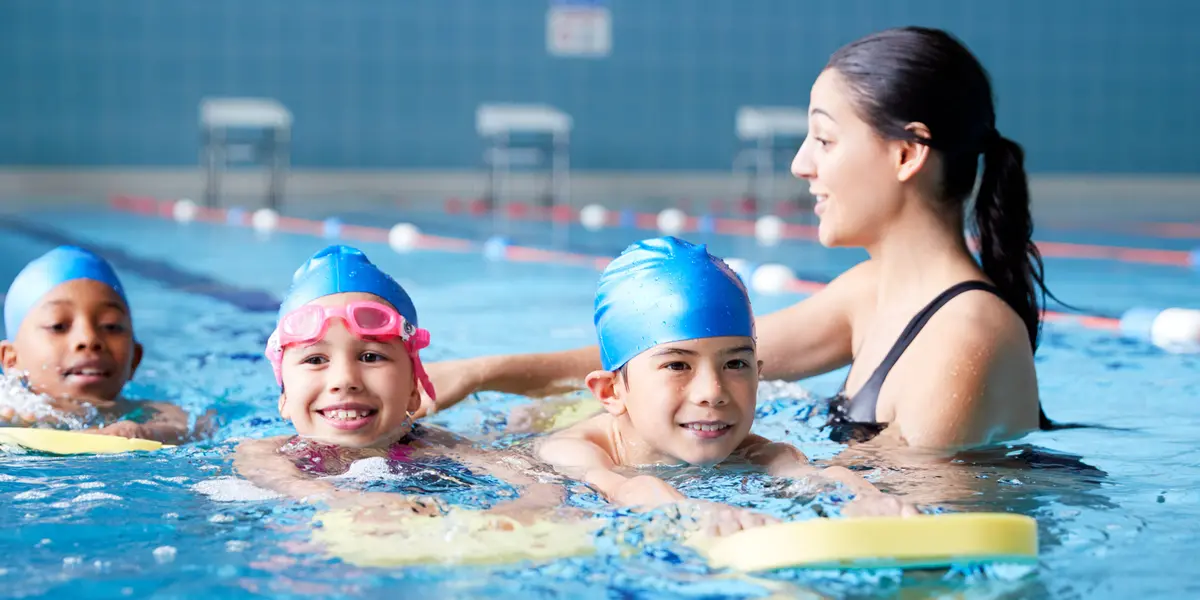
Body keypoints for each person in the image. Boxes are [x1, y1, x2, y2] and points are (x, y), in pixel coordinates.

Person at [418, 26, 1059, 452]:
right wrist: (479, 378)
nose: (801, 164)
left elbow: (871, 510)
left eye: (826, 140)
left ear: (905, 154)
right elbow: (666, 355)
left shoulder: (965, 339)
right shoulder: (873, 291)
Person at [534, 237, 915, 534]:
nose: (712, 391)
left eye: (735, 363)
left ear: (758, 373)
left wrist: (862, 495)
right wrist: (687, 510)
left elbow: (803, 473)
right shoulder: (571, 451)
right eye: (677, 365)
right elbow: (621, 487)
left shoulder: (753, 451)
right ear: (611, 392)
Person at [233, 245, 560, 517]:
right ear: (284, 398)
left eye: (371, 357)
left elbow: (538, 482)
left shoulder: (438, 447)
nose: (345, 380)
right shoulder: (267, 453)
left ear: (413, 392)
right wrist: (344, 500)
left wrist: (523, 510)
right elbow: (288, 484)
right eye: (315, 360)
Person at [0, 245, 193, 443]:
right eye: (58, 326)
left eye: (110, 326)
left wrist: (141, 433)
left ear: (134, 359)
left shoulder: (148, 414)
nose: (89, 339)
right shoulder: (9, 409)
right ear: (11, 360)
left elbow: (193, 427)